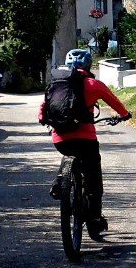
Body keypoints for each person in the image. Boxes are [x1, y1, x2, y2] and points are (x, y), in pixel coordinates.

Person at [38, 49, 131, 234]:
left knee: (70, 153)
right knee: (93, 175)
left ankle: (60, 180)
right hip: (86, 139)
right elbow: (115, 102)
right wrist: (124, 115)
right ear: (88, 66)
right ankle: (95, 218)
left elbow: (43, 107)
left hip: (60, 138)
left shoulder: (56, 84)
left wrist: (43, 119)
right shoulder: (94, 84)